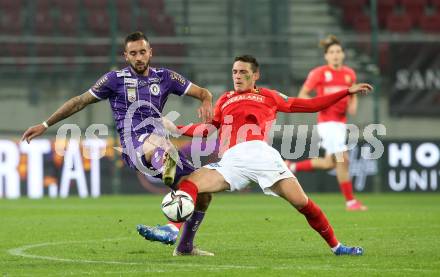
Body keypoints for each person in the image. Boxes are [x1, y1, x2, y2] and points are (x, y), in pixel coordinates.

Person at [21, 31, 214, 256]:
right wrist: (45, 124)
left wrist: (207, 100)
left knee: (203, 194)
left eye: (143, 52)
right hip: (134, 145)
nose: (139, 57)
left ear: (150, 52)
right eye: (133, 53)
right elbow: (79, 102)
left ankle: (184, 246)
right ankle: (167, 167)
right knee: (160, 141)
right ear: (126, 56)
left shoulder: (166, 77)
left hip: (159, 143)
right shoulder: (114, 79)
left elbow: (203, 92)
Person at [173, 55, 372, 255]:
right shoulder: (225, 98)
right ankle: (172, 231)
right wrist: (175, 127)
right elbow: (207, 130)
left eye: (243, 72)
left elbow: (312, 105)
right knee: (190, 183)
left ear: (256, 75)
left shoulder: (269, 96)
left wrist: (346, 92)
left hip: (262, 155)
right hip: (232, 159)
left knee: (302, 202)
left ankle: (337, 247)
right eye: (235, 72)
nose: (238, 76)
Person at [284, 35, 367, 211]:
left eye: (338, 51)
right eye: (331, 52)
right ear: (326, 56)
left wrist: (353, 103)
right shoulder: (319, 73)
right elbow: (302, 95)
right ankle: (351, 201)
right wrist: (317, 103)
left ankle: (292, 165)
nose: (335, 55)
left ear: (343, 54)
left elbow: (351, 93)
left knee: (330, 162)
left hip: (340, 124)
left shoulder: (349, 74)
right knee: (343, 159)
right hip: (327, 124)